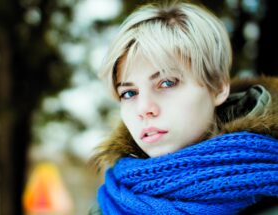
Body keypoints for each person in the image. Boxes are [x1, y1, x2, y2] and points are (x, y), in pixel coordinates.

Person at [89, 1, 278, 215]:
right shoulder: (107, 206)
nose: (144, 109)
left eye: (167, 83)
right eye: (129, 93)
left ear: (217, 87)